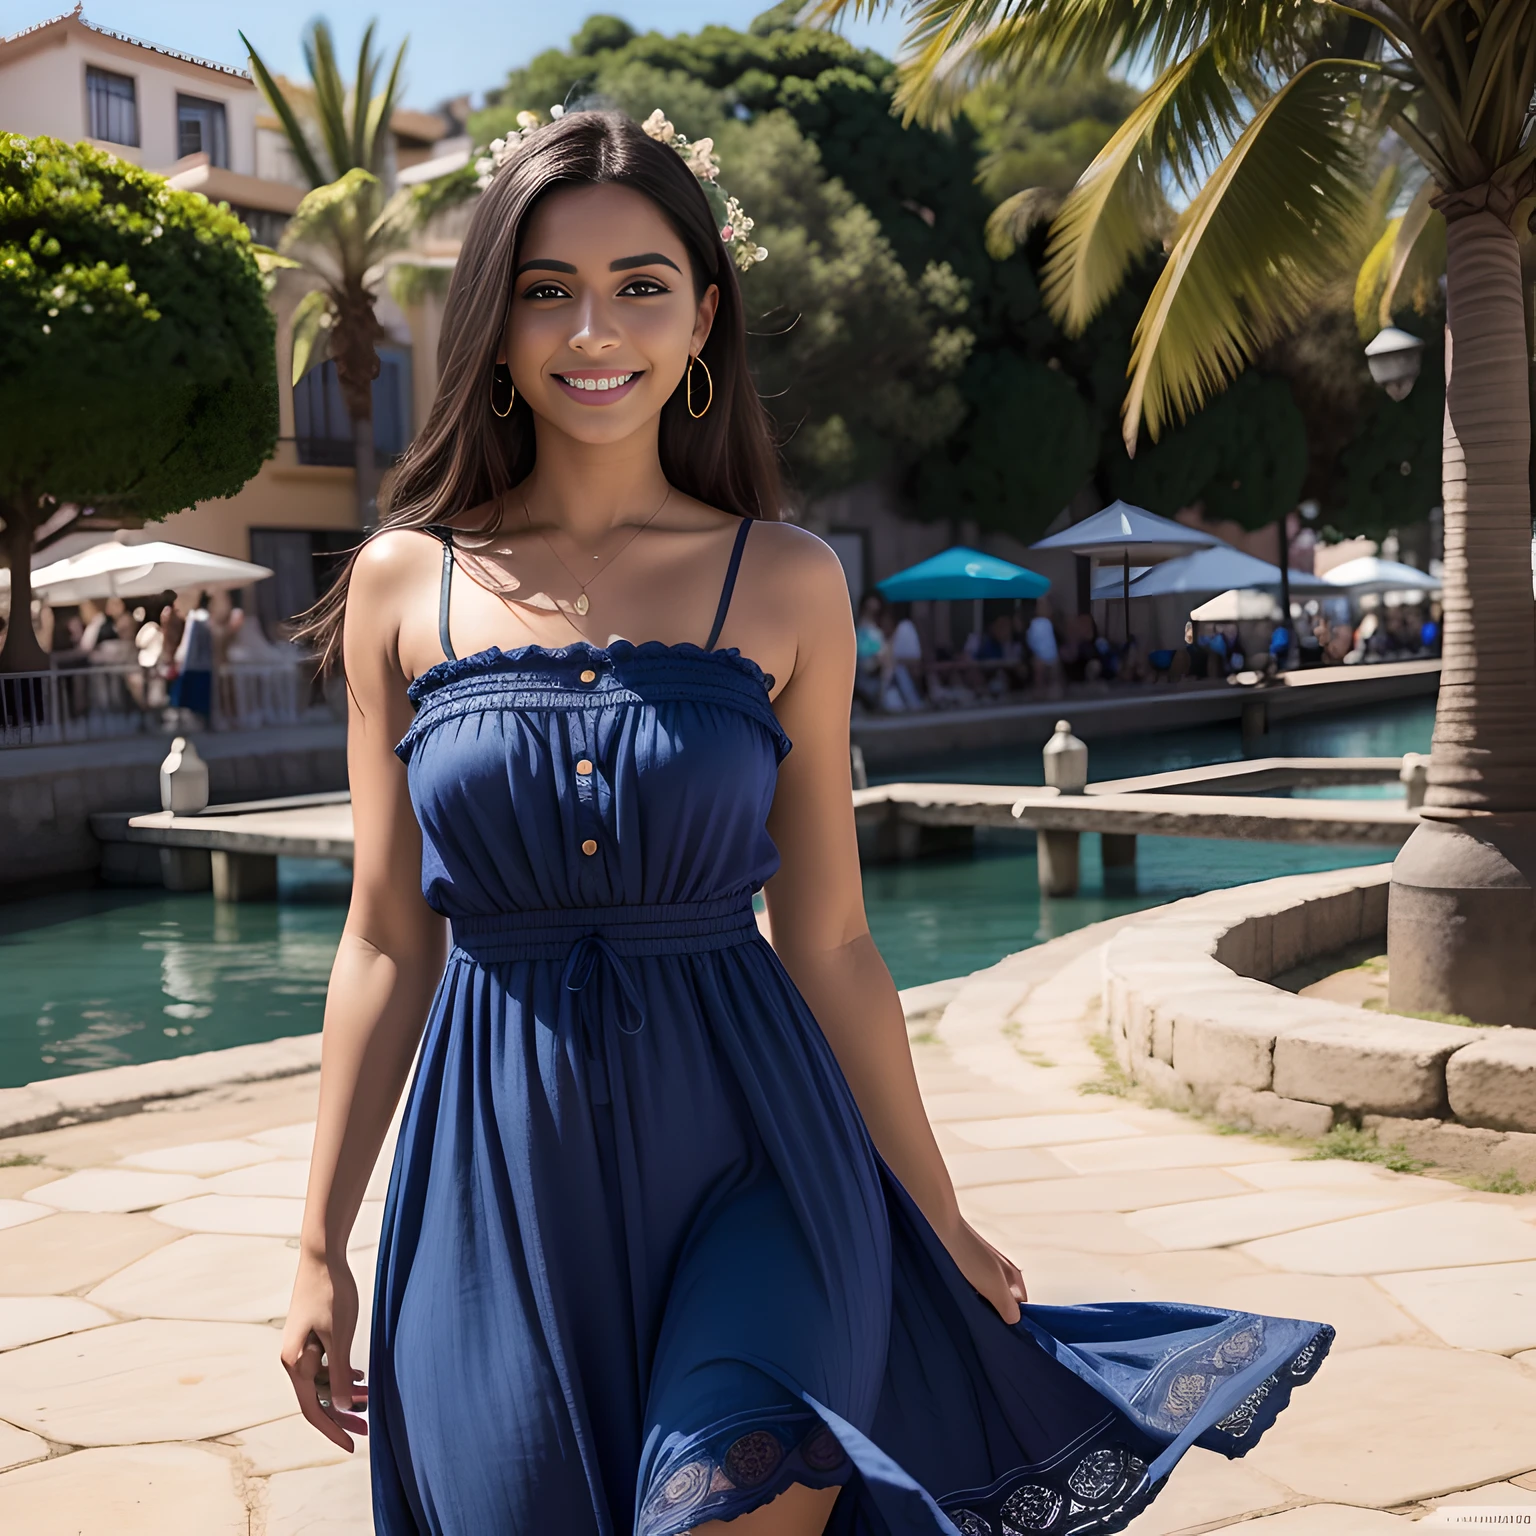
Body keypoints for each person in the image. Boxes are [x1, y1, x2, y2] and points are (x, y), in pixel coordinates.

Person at [279, 109, 1330, 1536]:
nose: (597, 328)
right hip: (494, 1175)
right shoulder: (404, 586)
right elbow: (386, 941)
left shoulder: (786, 582)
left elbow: (829, 936)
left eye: (642, 285)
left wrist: (937, 1212)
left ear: (705, 316)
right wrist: (319, 1247)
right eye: (548, 288)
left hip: (759, 1158)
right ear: (497, 322)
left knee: (731, 1493)